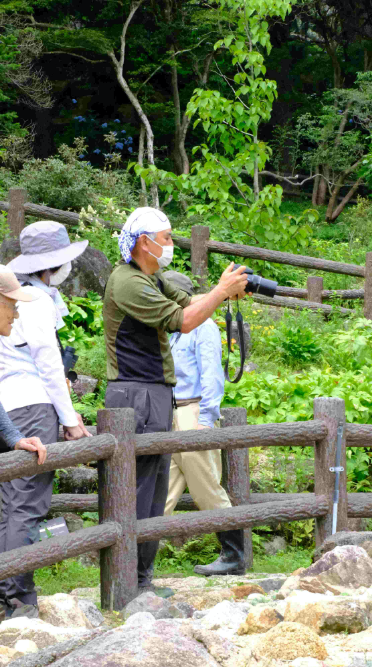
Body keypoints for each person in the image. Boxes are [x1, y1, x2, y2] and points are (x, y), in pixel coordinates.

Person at [103, 207, 248, 596]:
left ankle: (141, 580)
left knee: (154, 495)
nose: (171, 245)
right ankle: (129, 580)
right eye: (166, 238)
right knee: (141, 493)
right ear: (143, 242)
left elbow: (187, 302)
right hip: (137, 392)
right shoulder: (129, 282)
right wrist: (220, 292)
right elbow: (183, 319)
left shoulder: (151, 278)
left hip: (156, 395)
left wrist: (226, 291)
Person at [0, 221, 92, 633]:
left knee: (13, 508)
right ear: (54, 266)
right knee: (28, 507)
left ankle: (7, 596)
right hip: (32, 409)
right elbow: (49, 364)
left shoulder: (17, 298)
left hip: (5, 410)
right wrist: (69, 419)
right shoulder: (38, 302)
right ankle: (7, 597)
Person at [160, 271, 244, 576]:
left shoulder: (203, 327)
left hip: (193, 412)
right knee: (162, 493)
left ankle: (234, 555)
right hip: (170, 413)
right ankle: (136, 560)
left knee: (206, 487)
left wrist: (207, 419)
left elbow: (212, 375)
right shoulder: (170, 329)